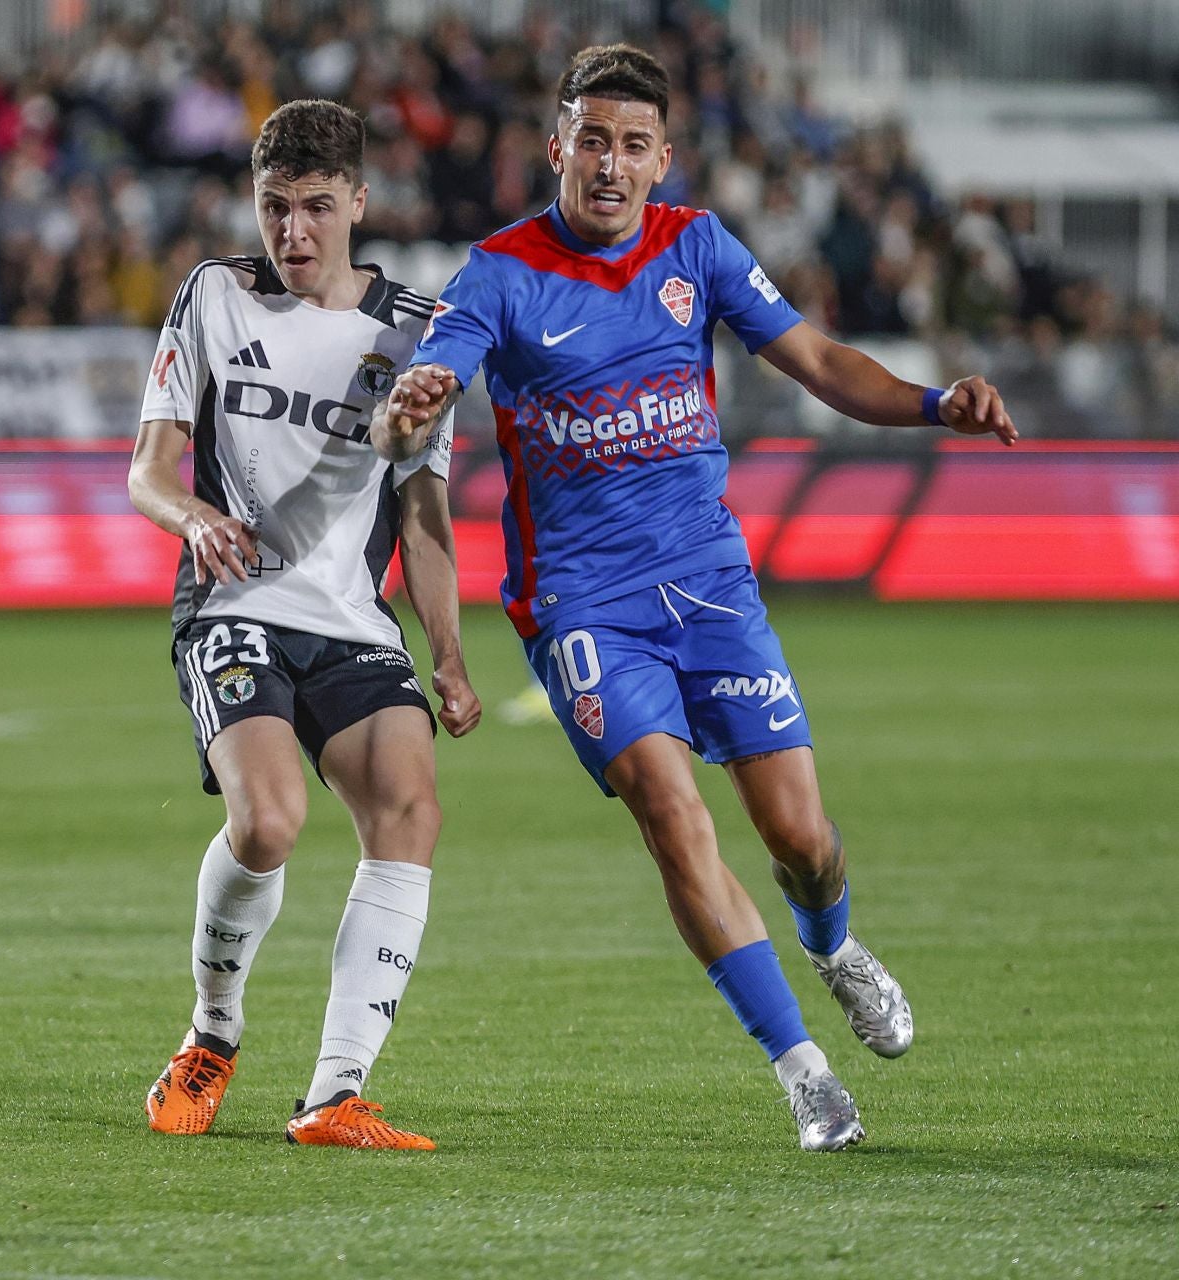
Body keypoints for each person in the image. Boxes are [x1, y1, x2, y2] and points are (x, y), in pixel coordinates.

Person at [378, 45, 1018, 1151]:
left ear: (663, 157)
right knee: (673, 817)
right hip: (581, 605)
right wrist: (418, 398)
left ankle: (832, 945)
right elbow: (428, 392)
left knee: (801, 836)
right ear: (558, 147)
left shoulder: (697, 247)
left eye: (634, 144)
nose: (611, 164)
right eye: (592, 139)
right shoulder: (497, 272)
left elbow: (815, 357)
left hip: (712, 585)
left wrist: (930, 403)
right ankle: (806, 1073)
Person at [128, 99, 482, 1151]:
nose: (292, 232)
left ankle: (335, 1092)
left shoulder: (417, 334)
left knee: (409, 809)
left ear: (359, 203)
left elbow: (422, 515)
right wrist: (192, 515)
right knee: (271, 820)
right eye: (274, 206)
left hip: (350, 614)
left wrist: (451, 659)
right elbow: (148, 472)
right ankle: (212, 1033)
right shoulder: (213, 296)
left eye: (316, 208)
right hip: (234, 601)